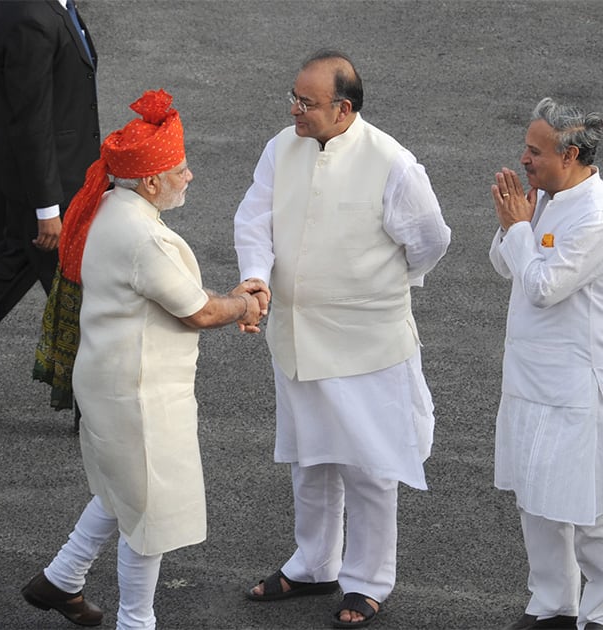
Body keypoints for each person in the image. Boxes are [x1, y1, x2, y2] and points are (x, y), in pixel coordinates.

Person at [21, 88, 270, 629]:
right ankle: (137, 623)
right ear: (152, 181)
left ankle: (61, 578)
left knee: (120, 491)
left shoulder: (107, 205)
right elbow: (199, 312)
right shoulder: (144, 238)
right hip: (140, 395)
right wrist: (245, 302)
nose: (190, 177)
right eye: (180, 169)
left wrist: (232, 303)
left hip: (108, 385)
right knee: (149, 514)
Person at [234, 50, 451, 628]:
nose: (294, 111)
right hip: (298, 336)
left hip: (367, 342)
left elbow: (429, 240)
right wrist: (256, 273)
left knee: (370, 466)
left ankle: (369, 580)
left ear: (344, 108)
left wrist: (376, 286)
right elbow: (254, 217)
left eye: (307, 103)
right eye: (294, 98)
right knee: (310, 458)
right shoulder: (282, 146)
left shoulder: (392, 162)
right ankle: (314, 564)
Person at [489, 97, 603, 630]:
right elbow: (506, 266)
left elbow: (545, 287)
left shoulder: (598, 218)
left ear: (570, 154)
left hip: (578, 391)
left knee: (591, 510)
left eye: (535, 151)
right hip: (529, 382)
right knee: (537, 497)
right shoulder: (547, 198)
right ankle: (552, 605)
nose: (524, 159)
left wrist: (521, 230)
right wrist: (514, 226)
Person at [0, 0, 99, 417]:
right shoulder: (31, 16)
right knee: (77, 292)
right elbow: (32, 119)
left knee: (10, 266)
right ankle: (96, 408)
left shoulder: (48, 5)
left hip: (43, 176)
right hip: (44, 186)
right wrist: (47, 207)